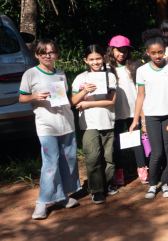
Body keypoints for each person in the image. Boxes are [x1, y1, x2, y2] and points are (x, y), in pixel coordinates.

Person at [20, 39, 82, 219]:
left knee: (68, 159)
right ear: (37, 55)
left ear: (57, 54)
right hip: (46, 125)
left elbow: (65, 101)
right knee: (50, 163)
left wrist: (83, 93)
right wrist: (35, 96)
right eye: (43, 53)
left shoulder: (61, 74)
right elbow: (22, 98)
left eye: (52, 52)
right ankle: (42, 202)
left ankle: (62, 196)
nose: (48, 56)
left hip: (66, 123)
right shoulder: (30, 74)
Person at [129, 34, 168, 200]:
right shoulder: (142, 71)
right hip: (151, 116)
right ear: (147, 53)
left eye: (160, 52)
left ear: (164, 51)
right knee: (156, 152)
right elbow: (140, 97)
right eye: (153, 53)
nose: (157, 56)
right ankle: (153, 184)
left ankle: (165, 183)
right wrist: (136, 120)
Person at [71, 45, 118, 204]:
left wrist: (88, 104)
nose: (95, 62)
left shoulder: (109, 77)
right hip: (88, 123)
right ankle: (96, 190)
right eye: (91, 59)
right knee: (92, 157)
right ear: (85, 60)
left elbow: (111, 101)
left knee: (108, 156)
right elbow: (73, 101)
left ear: (104, 58)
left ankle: (108, 184)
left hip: (107, 121)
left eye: (98, 58)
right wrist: (84, 92)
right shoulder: (80, 78)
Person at [106, 35, 148, 184]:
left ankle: (142, 168)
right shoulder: (106, 69)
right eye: (118, 51)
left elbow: (140, 92)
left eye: (125, 51)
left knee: (136, 140)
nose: (121, 54)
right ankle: (118, 171)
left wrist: (142, 116)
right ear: (112, 50)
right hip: (114, 113)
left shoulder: (135, 67)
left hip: (133, 111)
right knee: (116, 143)